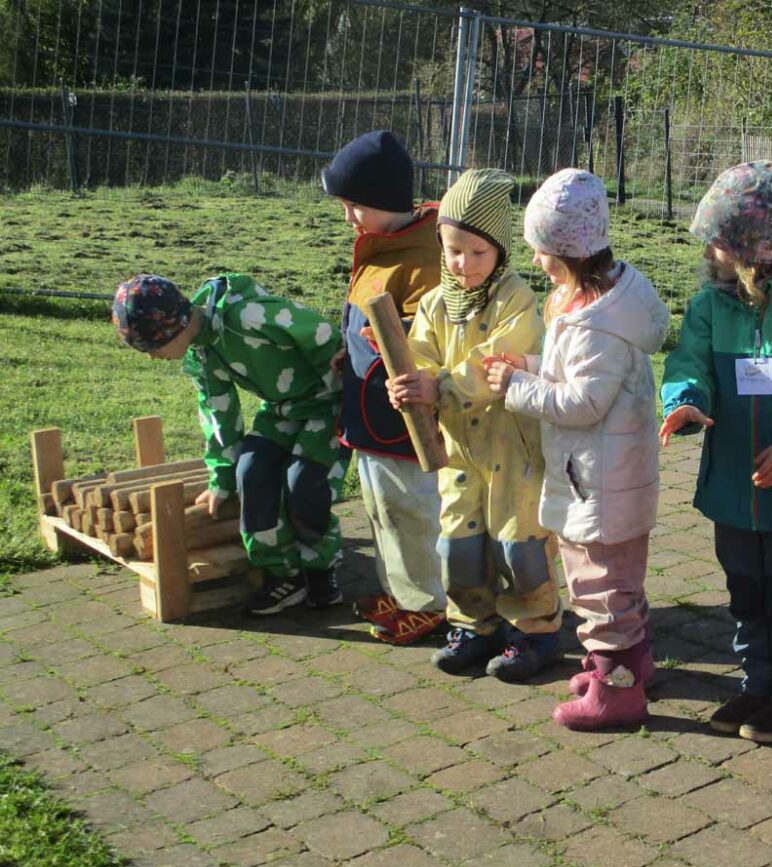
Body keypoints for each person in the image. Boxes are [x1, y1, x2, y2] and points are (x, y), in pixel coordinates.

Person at [486, 168, 670, 729]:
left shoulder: (595, 325)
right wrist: (532, 366)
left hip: (598, 482)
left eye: (541, 251)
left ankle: (617, 692)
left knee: (598, 586)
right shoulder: (602, 305)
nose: (537, 261)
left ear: (566, 250)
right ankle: (629, 664)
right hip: (604, 474)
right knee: (616, 581)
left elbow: (582, 403)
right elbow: (577, 379)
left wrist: (515, 387)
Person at [660, 160, 772, 744]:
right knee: (744, 592)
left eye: (721, 242)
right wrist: (684, 402)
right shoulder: (710, 305)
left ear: (754, 245)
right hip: (732, 489)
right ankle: (756, 685)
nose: (712, 254)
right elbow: (690, 363)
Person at [391, 168, 563, 682]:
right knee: (459, 546)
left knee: (519, 545)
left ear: (501, 251)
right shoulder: (433, 305)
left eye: (477, 252)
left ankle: (535, 631)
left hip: (514, 451)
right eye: (452, 250)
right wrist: (406, 384)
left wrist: (439, 385)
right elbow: (416, 356)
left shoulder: (518, 299)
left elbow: (499, 364)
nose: (463, 263)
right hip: (460, 453)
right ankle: (472, 626)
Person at [111, 272, 345, 615]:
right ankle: (283, 575)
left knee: (304, 484)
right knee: (250, 473)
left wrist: (348, 385)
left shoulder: (250, 317)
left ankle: (321, 571)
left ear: (171, 328)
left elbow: (322, 334)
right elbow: (219, 413)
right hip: (282, 411)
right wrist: (221, 478)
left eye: (152, 347)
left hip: (329, 408)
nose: (153, 358)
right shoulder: (202, 354)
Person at [322, 129, 446, 645]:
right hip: (368, 409)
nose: (349, 217)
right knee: (380, 508)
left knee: (412, 512)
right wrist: (347, 351)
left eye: (355, 205)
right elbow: (362, 308)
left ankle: (431, 603)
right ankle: (399, 592)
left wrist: (395, 342)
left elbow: (433, 337)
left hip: (401, 419)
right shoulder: (380, 242)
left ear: (384, 200)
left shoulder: (426, 257)